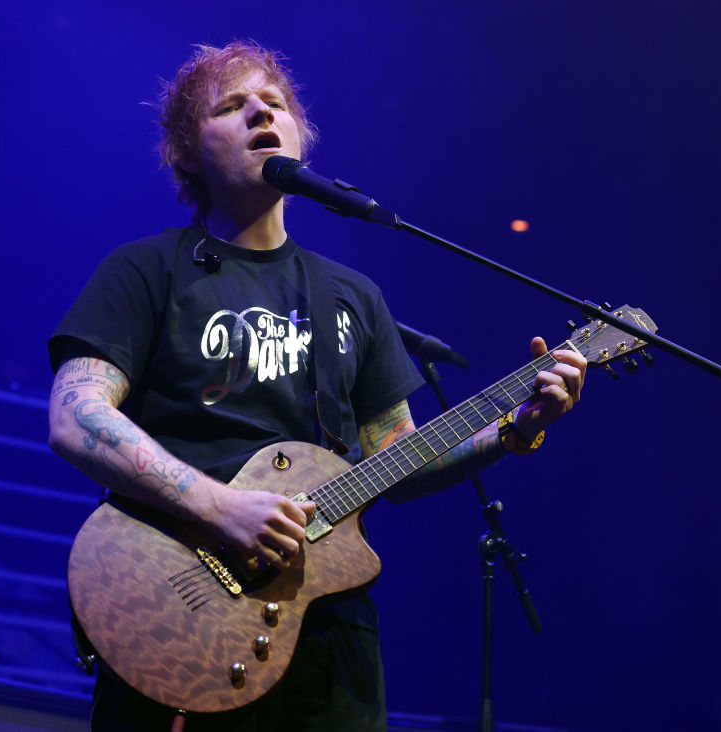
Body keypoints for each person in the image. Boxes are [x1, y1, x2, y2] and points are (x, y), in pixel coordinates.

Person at [47, 41, 586, 732]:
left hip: (324, 634)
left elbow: (400, 460)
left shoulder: (350, 297)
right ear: (186, 149)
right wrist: (221, 508)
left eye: (274, 104)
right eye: (232, 106)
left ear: (300, 134)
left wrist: (516, 428)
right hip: (173, 612)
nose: (260, 115)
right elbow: (75, 416)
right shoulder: (147, 271)